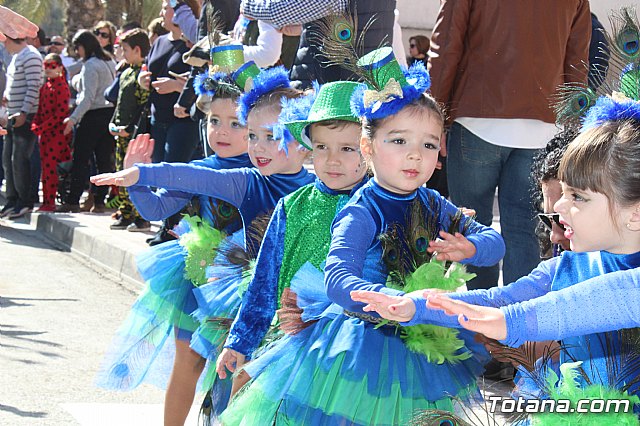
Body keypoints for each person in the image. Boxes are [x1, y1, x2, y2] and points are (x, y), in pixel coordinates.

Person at [220, 47, 504, 425]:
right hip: (354, 348)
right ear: (370, 148)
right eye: (400, 142)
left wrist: (472, 246)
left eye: (429, 145)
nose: (415, 156)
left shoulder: (433, 202)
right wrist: (394, 299)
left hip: (419, 348)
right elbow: (336, 279)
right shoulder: (361, 210)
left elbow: (494, 243)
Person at [352, 101, 640, 419]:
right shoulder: (565, 267)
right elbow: (499, 298)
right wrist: (416, 306)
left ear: (635, 213)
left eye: (578, 197)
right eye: (564, 193)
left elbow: (603, 300)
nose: (558, 206)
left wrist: (507, 322)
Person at [92, 60, 315, 426]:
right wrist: (137, 177)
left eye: (237, 125)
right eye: (214, 121)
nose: (224, 132)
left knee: (254, 385)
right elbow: (159, 204)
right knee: (196, 364)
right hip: (207, 282)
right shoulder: (234, 174)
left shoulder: (282, 174)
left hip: (280, 293)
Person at [210, 81, 368, 424]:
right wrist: (241, 340)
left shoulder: (381, 205)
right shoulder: (293, 207)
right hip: (293, 348)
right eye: (322, 147)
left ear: (369, 148)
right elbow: (264, 282)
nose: (332, 159)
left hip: (360, 353)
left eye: (347, 148)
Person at [428, 1, 591, 290]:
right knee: (523, 232)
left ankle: (480, 322)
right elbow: (577, 58)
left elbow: (446, 45)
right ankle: (516, 325)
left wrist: (433, 117)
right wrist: (571, 124)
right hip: (544, 126)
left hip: (476, 119)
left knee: (470, 228)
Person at [138, 0, 201, 245]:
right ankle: (166, 226)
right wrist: (143, 80)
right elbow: (148, 68)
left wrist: (178, 87)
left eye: (168, 6)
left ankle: (170, 229)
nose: (163, 12)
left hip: (183, 120)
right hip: (158, 117)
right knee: (160, 171)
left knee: (175, 172)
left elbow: (201, 76)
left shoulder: (194, 40)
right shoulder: (160, 41)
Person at [56, 30, 116, 213]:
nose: (77, 52)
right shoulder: (109, 61)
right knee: (104, 161)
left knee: (81, 159)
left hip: (92, 116)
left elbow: (87, 98)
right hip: (109, 114)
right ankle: (99, 201)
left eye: (78, 48)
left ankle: (73, 200)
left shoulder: (91, 65)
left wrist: (73, 119)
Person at [107, 29, 152, 231]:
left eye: (125, 49)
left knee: (136, 174)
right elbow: (119, 104)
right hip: (120, 132)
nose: (122, 53)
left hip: (134, 135)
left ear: (137, 49)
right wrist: (113, 123)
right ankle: (125, 212)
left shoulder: (144, 74)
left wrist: (130, 128)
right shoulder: (125, 72)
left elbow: (143, 107)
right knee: (121, 173)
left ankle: (141, 216)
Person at [0, 34, 43, 219]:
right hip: (12, 115)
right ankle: (12, 199)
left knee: (19, 159)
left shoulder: (31, 56)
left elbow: (34, 86)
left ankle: (24, 201)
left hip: (25, 117)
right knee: (7, 160)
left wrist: (24, 112)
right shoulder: (17, 57)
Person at [30, 53, 71, 212]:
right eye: (46, 66)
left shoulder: (61, 87)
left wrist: (42, 126)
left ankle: (50, 201)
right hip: (45, 134)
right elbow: (40, 110)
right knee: (45, 167)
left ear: (60, 67)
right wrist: (36, 123)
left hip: (56, 134)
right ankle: (46, 199)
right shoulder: (45, 87)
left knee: (51, 168)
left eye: (52, 65)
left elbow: (60, 114)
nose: (48, 69)